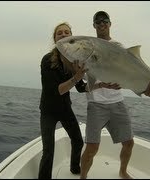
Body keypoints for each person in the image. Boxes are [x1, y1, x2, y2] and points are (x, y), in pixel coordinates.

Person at [80, 11, 150, 179]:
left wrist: (146, 89)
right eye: (98, 22)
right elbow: (84, 83)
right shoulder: (85, 48)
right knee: (92, 147)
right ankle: (83, 177)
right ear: (94, 25)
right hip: (96, 104)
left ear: (110, 24)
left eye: (105, 21)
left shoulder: (117, 47)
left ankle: (123, 172)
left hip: (117, 102)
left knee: (129, 143)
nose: (102, 24)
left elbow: (128, 75)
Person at [38, 22, 119, 179]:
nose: (63, 35)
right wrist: (76, 77)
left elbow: (81, 88)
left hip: (65, 109)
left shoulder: (76, 60)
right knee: (48, 150)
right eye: (59, 33)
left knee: (78, 141)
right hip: (48, 111)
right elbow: (57, 90)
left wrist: (101, 84)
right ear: (55, 39)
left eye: (67, 33)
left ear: (72, 36)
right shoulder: (47, 60)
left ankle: (75, 169)